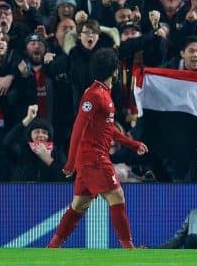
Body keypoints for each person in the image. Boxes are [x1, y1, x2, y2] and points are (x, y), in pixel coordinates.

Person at [47, 48, 148, 249]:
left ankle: (52, 248)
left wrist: (132, 143)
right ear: (114, 71)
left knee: (79, 205)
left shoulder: (102, 94)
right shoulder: (94, 95)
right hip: (94, 158)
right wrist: (70, 161)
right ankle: (129, 250)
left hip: (89, 159)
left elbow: (108, 130)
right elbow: (78, 126)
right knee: (117, 197)